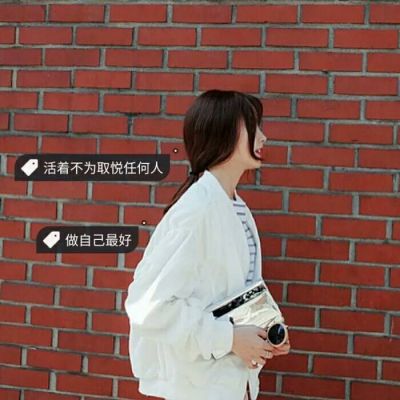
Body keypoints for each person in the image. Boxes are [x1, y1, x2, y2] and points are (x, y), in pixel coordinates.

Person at [124, 89, 290, 400]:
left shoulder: (235, 207)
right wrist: (229, 338)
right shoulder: (197, 210)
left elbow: (233, 291)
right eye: (253, 126)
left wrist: (265, 329)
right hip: (200, 386)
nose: (263, 137)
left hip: (228, 382)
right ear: (225, 133)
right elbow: (148, 306)